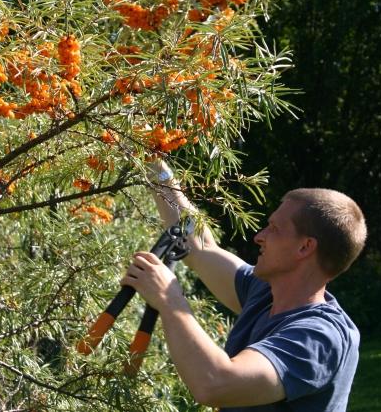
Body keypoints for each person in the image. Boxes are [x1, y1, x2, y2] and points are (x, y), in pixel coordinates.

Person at [121, 162, 367, 411]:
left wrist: (169, 298)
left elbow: (216, 383)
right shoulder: (264, 292)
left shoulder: (320, 337)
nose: (259, 236)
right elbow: (197, 245)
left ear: (305, 247)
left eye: (275, 229)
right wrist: (155, 165)